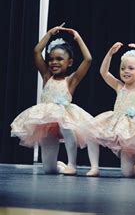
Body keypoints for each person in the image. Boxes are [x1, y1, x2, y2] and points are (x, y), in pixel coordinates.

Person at [11, 23, 93, 175]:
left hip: (64, 116)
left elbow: (88, 59)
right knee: (49, 170)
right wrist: (49, 34)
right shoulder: (47, 76)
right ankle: (59, 166)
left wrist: (78, 38)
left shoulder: (71, 80)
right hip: (47, 120)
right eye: (51, 59)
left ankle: (71, 164)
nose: (54, 62)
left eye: (59, 59)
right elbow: (36, 52)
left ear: (69, 62)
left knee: (66, 126)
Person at [85, 42, 135, 177]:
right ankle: (94, 167)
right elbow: (103, 72)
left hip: (131, 131)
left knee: (127, 173)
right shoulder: (119, 86)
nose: (125, 71)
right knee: (91, 131)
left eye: (130, 68)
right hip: (114, 124)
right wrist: (110, 54)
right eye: (123, 68)